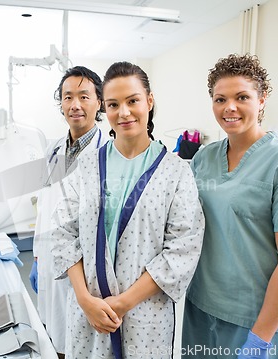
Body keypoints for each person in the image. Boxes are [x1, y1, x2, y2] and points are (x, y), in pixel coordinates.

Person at [51, 61, 204, 359]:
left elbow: (183, 248)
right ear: (103, 109)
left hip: (144, 313)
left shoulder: (176, 172)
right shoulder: (89, 165)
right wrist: (85, 300)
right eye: (113, 104)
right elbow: (63, 231)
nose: (123, 113)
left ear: (149, 100)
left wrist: (121, 304)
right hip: (88, 309)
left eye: (132, 101)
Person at [181, 53, 278, 359]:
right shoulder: (204, 159)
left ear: (262, 100)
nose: (229, 107)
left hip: (254, 318)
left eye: (242, 97)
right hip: (200, 308)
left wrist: (260, 338)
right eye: (220, 99)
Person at [29, 65, 109, 357]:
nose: (75, 105)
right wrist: (37, 256)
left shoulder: (107, 154)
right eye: (67, 97)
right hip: (49, 259)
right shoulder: (52, 150)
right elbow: (44, 208)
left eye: (84, 97)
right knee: (52, 335)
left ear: (99, 102)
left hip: (84, 269)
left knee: (80, 343)